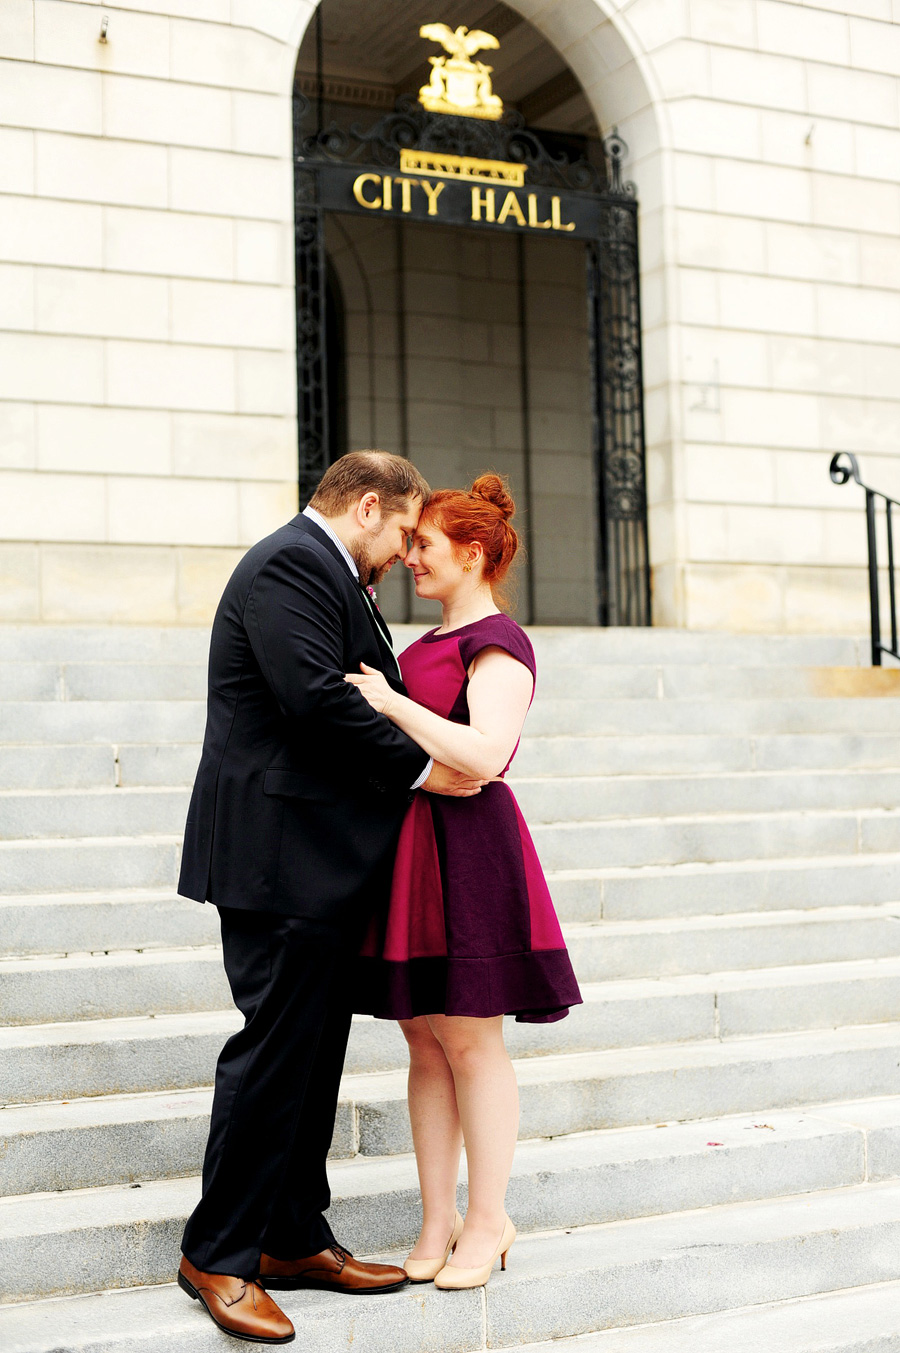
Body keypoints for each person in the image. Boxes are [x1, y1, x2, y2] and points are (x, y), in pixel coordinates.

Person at [176, 451, 488, 1344]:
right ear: (364, 506)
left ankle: (290, 1234)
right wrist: (429, 769)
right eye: (400, 531)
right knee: (274, 1052)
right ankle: (219, 1252)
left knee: (312, 1058)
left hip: (317, 861)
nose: (402, 552)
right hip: (276, 858)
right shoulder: (290, 564)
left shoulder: (327, 573)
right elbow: (315, 700)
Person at [347, 473, 582, 1292]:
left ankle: (488, 1218)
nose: (411, 556)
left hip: (471, 850)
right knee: (422, 1033)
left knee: (473, 1037)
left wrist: (390, 704)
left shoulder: (499, 642)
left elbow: (484, 756)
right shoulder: (418, 648)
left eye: (424, 544)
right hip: (414, 850)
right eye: (410, 544)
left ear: (471, 552)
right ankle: (437, 1218)